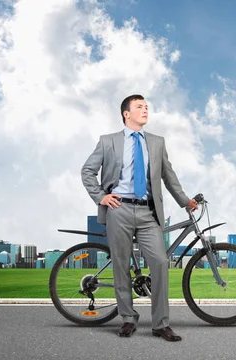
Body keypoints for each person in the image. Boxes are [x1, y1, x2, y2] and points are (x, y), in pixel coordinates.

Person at [81, 94, 198, 341]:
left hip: (148, 212)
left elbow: (169, 176)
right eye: (139, 107)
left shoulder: (156, 142)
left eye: (146, 106)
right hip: (118, 210)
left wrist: (185, 200)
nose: (145, 110)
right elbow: (87, 171)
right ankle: (127, 319)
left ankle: (160, 324)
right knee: (121, 265)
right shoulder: (108, 141)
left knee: (159, 262)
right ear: (126, 113)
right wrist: (101, 197)